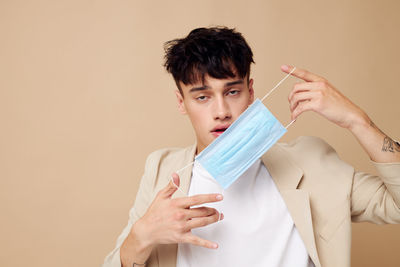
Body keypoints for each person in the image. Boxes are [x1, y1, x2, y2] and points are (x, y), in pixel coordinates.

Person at [103, 26, 400, 267]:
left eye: (232, 91)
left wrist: (358, 121)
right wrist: (140, 238)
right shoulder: (162, 171)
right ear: (182, 103)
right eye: (202, 97)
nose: (221, 111)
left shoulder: (310, 162)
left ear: (251, 91)